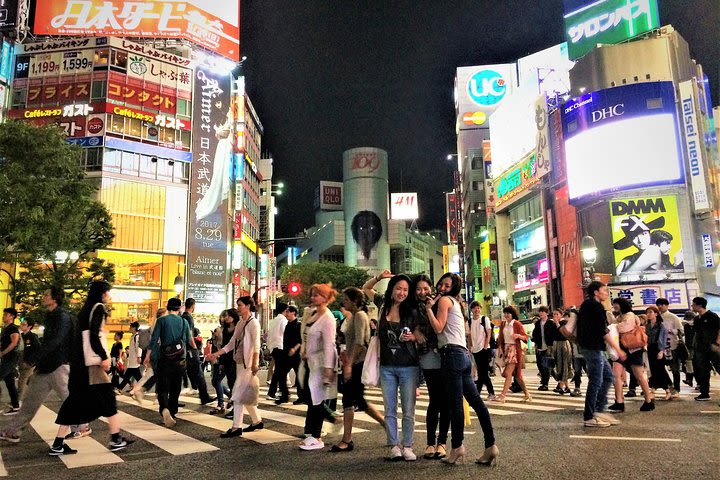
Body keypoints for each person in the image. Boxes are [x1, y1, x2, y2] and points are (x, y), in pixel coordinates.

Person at [51, 281, 133, 455]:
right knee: (109, 398)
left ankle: (57, 444)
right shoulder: (98, 308)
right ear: (102, 294)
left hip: (79, 364)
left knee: (74, 403)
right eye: (108, 293)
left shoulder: (85, 310)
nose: (109, 296)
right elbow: (94, 337)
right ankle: (116, 439)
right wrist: (103, 357)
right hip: (92, 366)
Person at [426, 273, 498, 466]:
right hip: (463, 356)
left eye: (447, 285)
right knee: (476, 402)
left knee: (455, 404)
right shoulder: (458, 304)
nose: (442, 287)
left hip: (450, 355)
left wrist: (428, 309)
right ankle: (490, 445)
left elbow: (439, 328)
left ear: (453, 289)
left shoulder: (444, 302)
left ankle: (457, 447)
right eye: (441, 284)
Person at [0, 287, 88, 443]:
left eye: (46, 294)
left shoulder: (62, 317)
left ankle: (81, 425)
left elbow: (55, 341)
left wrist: (33, 359)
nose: (43, 296)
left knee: (68, 398)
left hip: (59, 365)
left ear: (54, 299)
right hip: (47, 366)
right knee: (30, 401)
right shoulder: (50, 316)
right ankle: (13, 432)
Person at [364, 271, 419, 461]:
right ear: (392, 289)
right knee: (389, 409)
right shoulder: (382, 304)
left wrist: (413, 337)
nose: (402, 293)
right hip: (386, 366)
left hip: (409, 367)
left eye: (405, 289)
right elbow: (366, 288)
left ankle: (408, 446)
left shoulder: (412, 310)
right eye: (398, 288)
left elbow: (422, 334)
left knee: (408, 410)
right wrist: (379, 277)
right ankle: (394, 445)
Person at [332, 287, 385, 452]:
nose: (344, 302)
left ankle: (347, 440)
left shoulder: (360, 316)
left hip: (358, 364)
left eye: (347, 299)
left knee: (349, 399)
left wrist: (349, 364)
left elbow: (360, 342)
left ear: (355, 301)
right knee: (358, 400)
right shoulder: (353, 316)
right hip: (353, 363)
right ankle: (386, 424)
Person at [207, 296, 263, 437]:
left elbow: (256, 345)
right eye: (237, 305)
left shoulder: (253, 323)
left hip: (248, 364)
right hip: (239, 362)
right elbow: (231, 344)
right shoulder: (241, 323)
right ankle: (257, 421)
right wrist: (216, 354)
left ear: (248, 306)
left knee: (237, 395)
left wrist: (255, 363)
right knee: (244, 394)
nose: (237, 307)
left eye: (240, 305)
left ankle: (236, 427)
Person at [576, 281, 626, 427]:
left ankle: (598, 410)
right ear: (596, 292)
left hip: (593, 347)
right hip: (593, 348)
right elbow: (603, 331)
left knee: (608, 377)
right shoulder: (595, 306)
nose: (606, 292)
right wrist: (618, 349)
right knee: (596, 381)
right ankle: (589, 416)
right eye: (604, 290)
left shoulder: (587, 305)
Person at [413, 274, 450, 459]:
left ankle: (442, 443)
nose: (422, 292)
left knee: (444, 401)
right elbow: (406, 323)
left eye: (425, 288)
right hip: (428, 355)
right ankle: (429, 443)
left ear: (431, 288)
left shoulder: (440, 302)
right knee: (435, 399)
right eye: (419, 289)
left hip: (445, 353)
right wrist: (414, 330)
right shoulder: (411, 307)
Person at [297, 284, 338, 451]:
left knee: (317, 399)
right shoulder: (313, 313)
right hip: (310, 362)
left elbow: (329, 345)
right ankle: (313, 433)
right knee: (312, 398)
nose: (312, 298)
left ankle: (316, 436)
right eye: (312, 294)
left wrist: (329, 369)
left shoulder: (327, 318)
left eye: (316, 295)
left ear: (325, 297)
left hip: (321, 363)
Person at [150, 298, 194, 428]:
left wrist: (148, 355)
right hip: (180, 359)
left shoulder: (161, 320)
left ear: (168, 307)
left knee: (163, 387)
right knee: (176, 387)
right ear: (179, 308)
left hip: (165, 358)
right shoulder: (184, 321)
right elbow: (186, 339)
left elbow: (154, 339)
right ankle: (173, 412)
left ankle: (164, 409)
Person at [606, 298, 654, 413]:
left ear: (622, 305)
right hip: (621, 348)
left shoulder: (630, 315)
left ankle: (648, 400)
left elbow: (623, 328)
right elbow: (614, 326)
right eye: (613, 305)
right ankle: (619, 401)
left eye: (616, 304)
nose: (614, 306)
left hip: (634, 348)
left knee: (639, 375)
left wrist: (613, 326)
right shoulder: (619, 317)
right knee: (616, 374)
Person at [182, 298, 215, 405]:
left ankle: (200, 393)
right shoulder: (189, 318)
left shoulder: (182, 317)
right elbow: (189, 335)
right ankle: (204, 396)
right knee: (199, 373)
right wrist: (195, 347)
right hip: (190, 350)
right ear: (193, 305)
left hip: (185, 350)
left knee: (192, 372)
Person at [495, 306, 531, 402]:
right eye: (505, 313)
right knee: (518, 376)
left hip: (514, 349)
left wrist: (518, 335)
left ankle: (503, 396)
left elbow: (525, 338)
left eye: (508, 313)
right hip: (506, 349)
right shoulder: (503, 324)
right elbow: (500, 338)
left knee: (508, 373)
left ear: (512, 314)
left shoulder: (517, 324)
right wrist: (500, 348)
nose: (506, 315)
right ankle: (527, 394)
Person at [129, 308, 164, 405]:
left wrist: (147, 355)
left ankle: (139, 391)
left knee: (153, 374)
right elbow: (155, 340)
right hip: (158, 353)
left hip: (153, 352)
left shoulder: (154, 324)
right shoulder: (159, 323)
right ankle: (146, 392)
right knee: (158, 375)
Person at [690, 296, 720, 401]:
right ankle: (704, 393)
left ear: (699, 305)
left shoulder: (712, 316)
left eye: (693, 304)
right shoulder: (697, 318)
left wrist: (717, 343)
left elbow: (719, 329)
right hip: (700, 348)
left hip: (713, 347)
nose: (692, 306)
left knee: (719, 367)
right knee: (703, 371)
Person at [655, 298, 683, 396]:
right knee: (660, 367)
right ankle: (669, 386)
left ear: (667, 305)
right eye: (658, 304)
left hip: (672, 345)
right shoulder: (656, 317)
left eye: (662, 304)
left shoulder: (673, 317)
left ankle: (677, 388)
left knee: (675, 368)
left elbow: (681, 331)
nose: (660, 306)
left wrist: (670, 331)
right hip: (660, 346)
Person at [209, 310, 234, 414]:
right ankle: (230, 397)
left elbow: (226, 346)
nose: (225, 318)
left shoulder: (229, 330)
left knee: (216, 381)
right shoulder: (221, 329)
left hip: (225, 359)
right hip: (219, 358)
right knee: (216, 380)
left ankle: (221, 404)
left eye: (227, 317)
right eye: (224, 317)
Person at [646, 306, 673, 400]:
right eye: (647, 312)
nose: (648, 314)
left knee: (660, 370)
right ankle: (658, 390)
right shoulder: (647, 325)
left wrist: (661, 351)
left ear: (656, 314)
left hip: (658, 349)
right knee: (654, 370)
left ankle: (661, 390)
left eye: (650, 312)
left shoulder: (661, 325)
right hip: (650, 348)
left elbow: (663, 339)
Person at [469, 301, 495, 401]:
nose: (477, 310)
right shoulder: (470, 321)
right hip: (475, 349)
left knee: (482, 372)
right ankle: (484, 393)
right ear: (471, 310)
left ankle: (482, 393)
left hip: (484, 349)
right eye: (475, 308)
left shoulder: (484, 319)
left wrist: (485, 346)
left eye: (479, 308)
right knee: (482, 372)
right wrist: (470, 347)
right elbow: (470, 336)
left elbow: (488, 333)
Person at [280, 305, 303, 405]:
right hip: (286, 353)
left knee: (299, 376)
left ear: (294, 312)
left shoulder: (299, 325)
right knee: (281, 374)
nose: (286, 314)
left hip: (296, 355)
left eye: (288, 312)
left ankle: (302, 397)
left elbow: (301, 340)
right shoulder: (287, 325)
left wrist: (295, 349)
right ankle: (285, 395)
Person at [531, 306, 558, 391]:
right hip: (539, 347)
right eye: (540, 312)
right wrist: (534, 340)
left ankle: (545, 384)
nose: (541, 313)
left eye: (543, 311)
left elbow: (554, 334)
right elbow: (534, 334)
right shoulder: (538, 323)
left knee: (546, 366)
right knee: (540, 366)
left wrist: (553, 344)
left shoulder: (551, 323)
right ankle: (558, 379)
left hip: (548, 347)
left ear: (546, 313)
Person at [0, 308, 21, 415]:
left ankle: (15, 405)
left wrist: (2, 353)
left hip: (10, 359)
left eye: (5, 314)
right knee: (10, 383)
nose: (3, 316)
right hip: (7, 359)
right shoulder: (6, 328)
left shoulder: (13, 328)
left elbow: (14, 342)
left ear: (11, 316)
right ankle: (15, 406)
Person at [267, 303, 289, 401]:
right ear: (285, 310)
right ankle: (277, 392)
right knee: (280, 370)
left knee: (279, 370)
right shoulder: (283, 320)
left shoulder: (272, 321)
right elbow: (285, 334)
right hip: (280, 347)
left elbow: (269, 335)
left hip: (273, 347)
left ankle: (276, 391)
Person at [550, 308, 573, 394]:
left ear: (561, 315)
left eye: (557, 314)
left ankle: (561, 385)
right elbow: (552, 335)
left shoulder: (564, 322)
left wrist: (557, 323)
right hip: (556, 344)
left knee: (565, 364)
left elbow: (563, 334)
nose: (555, 316)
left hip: (564, 344)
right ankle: (566, 387)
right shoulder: (552, 324)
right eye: (554, 314)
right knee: (559, 365)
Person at [17, 319, 40, 402]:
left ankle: (16, 402)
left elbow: (38, 350)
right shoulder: (20, 336)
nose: (21, 325)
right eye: (21, 324)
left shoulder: (32, 337)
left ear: (29, 327)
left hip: (28, 364)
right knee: (30, 382)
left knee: (21, 382)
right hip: (21, 363)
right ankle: (35, 397)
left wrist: (30, 362)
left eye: (24, 324)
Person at [117, 322, 142, 391]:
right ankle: (143, 387)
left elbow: (139, 347)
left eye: (130, 327)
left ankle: (120, 388)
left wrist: (139, 357)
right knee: (134, 376)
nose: (129, 328)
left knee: (128, 376)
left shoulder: (137, 337)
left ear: (134, 328)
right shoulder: (133, 337)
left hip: (134, 360)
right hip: (132, 361)